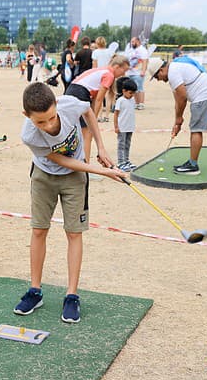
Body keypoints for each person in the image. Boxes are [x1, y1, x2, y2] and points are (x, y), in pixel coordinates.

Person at [15, 82, 125, 323]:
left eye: (52, 118)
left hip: (75, 180)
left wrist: (101, 148)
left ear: (57, 104)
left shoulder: (69, 104)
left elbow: (88, 112)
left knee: (74, 233)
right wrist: (102, 172)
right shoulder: (29, 135)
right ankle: (35, 291)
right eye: (40, 122)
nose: (49, 125)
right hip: (45, 176)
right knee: (38, 230)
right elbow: (63, 162)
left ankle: (72, 295)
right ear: (27, 116)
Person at [149, 56, 207, 175]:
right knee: (195, 129)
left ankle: (193, 166)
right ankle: (192, 163)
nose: (158, 80)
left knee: (196, 130)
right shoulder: (174, 71)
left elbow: (183, 98)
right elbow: (177, 99)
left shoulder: (173, 73)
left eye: (157, 77)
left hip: (205, 96)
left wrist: (179, 118)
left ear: (161, 70)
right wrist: (177, 121)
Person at [65, 55, 130, 167]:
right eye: (123, 71)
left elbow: (95, 98)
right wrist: (93, 119)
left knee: (80, 132)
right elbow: (100, 99)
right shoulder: (109, 75)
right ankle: (85, 167)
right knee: (88, 134)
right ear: (117, 67)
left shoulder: (102, 70)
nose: (123, 74)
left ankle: (81, 164)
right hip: (80, 93)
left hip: (72, 90)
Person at [114, 79, 138, 172]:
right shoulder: (120, 101)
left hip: (129, 126)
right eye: (130, 93)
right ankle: (121, 162)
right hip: (122, 127)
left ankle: (127, 161)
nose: (132, 95)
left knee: (127, 144)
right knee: (121, 144)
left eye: (133, 93)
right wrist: (116, 126)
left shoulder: (132, 100)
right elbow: (116, 114)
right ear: (124, 91)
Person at [92, 36, 115, 122]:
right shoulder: (110, 52)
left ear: (97, 43)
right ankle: (107, 116)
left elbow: (94, 65)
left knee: (100, 96)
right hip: (109, 73)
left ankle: (99, 115)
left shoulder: (95, 52)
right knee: (108, 96)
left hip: (99, 74)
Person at [124, 36, 149, 110]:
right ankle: (136, 103)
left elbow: (145, 61)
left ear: (138, 42)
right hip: (130, 72)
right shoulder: (130, 50)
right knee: (133, 88)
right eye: (131, 42)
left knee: (139, 88)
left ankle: (141, 103)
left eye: (133, 42)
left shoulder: (142, 50)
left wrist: (143, 71)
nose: (132, 43)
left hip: (138, 72)